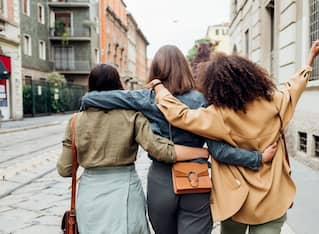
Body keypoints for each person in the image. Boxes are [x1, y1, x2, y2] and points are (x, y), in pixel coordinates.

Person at [81, 45, 278, 234]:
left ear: (156, 70)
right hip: (195, 179)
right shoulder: (202, 100)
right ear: (184, 68)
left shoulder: (146, 97)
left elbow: (97, 99)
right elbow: (219, 151)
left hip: (161, 180)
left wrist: (86, 100)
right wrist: (258, 158)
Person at [149, 41, 319, 234]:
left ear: (216, 85)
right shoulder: (274, 102)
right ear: (252, 76)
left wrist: (160, 89)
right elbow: (295, 85)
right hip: (271, 199)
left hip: (236, 201)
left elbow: (180, 115)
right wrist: (311, 57)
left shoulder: (217, 114)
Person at [57, 64, 215, 234]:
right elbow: (159, 150)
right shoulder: (132, 116)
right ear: (118, 85)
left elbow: (65, 169)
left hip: (90, 193)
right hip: (125, 190)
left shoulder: (75, 121)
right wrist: (202, 152)